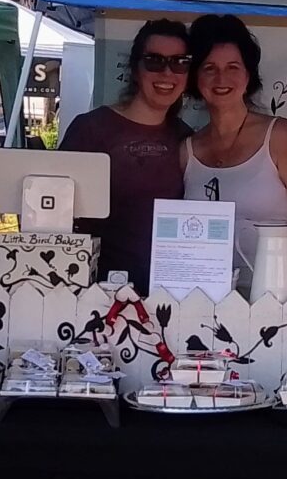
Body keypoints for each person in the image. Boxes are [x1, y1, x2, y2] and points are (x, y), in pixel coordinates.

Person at [181, 14, 287, 296]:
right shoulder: (186, 150)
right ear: (196, 77)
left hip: (276, 302)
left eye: (233, 66)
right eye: (209, 67)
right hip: (202, 302)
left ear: (248, 75)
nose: (221, 77)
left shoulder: (280, 136)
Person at [60, 19, 192, 294]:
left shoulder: (187, 137)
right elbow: (52, 211)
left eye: (179, 62)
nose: (167, 72)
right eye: (154, 61)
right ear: (135, 69)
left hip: (167, 296)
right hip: (95, 295)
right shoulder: (91, 129)